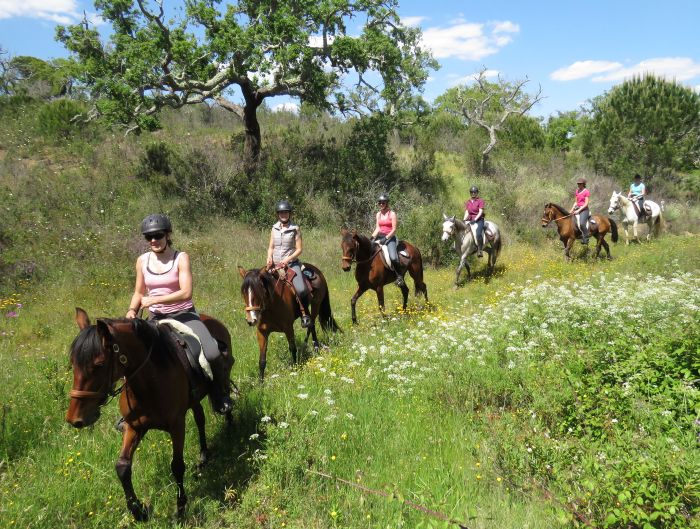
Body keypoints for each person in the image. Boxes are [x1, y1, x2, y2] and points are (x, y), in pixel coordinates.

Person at [126, 214, 232, 414]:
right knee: (130, 354)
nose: (153, 241)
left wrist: (154, 300)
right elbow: (139, 292)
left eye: (157, 235)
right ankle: (134, 408)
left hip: (183, 314)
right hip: (156, 318)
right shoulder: (142, 261)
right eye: (149, 237)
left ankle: (220, 394)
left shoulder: (180, 258)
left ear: (168, 235)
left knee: (212, 352)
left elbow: (186, 292)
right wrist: (132, 310)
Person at [266, 200, 312, 328]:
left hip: (291, 264)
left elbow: (299, 249)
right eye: (281, 213)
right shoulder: (274, 228)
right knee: (260, 285)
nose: (283, 215)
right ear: (278, 214)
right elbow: (271, 247)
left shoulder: (295, 229)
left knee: (301, 289)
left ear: (289, 214)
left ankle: (305, 315)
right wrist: (269, 257)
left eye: (286, 212)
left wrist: (288, 259)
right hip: (274, 264)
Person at [370, 193, 405, 286]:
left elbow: (394, 229)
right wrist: (372, 238)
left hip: (390, 237)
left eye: (383, 203)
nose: (381, 204)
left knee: (393, 257)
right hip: (380, 236)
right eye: (380, 203)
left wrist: (386, 238)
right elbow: (377, 228)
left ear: (387, 203)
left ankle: (400, 277)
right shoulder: (378, 214)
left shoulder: (392, 214)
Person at [464, 185, 485, 257]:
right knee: (460, 230)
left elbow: (480, 212)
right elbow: (467, 212)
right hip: (470, 219)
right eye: (472, 192)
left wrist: (475, 219)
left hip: (479, 219)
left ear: (477, 193)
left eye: (474, 192)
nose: (473, 193)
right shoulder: (468, 202)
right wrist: (464, 220)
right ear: (470, 193)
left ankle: (480, 250)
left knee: (478, 233)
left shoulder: (480, 201)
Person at [570, 177, 590, 244]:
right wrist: (572, 209)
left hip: (584, 209)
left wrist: (579, 210)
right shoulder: (577, 191)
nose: (578, 185)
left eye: (580, 184)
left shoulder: (586, 192)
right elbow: (576, 202)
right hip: (577, 208)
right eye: (578, 184)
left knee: (581, 224)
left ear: (583, 184)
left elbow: (586, 203)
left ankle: (586, 238)